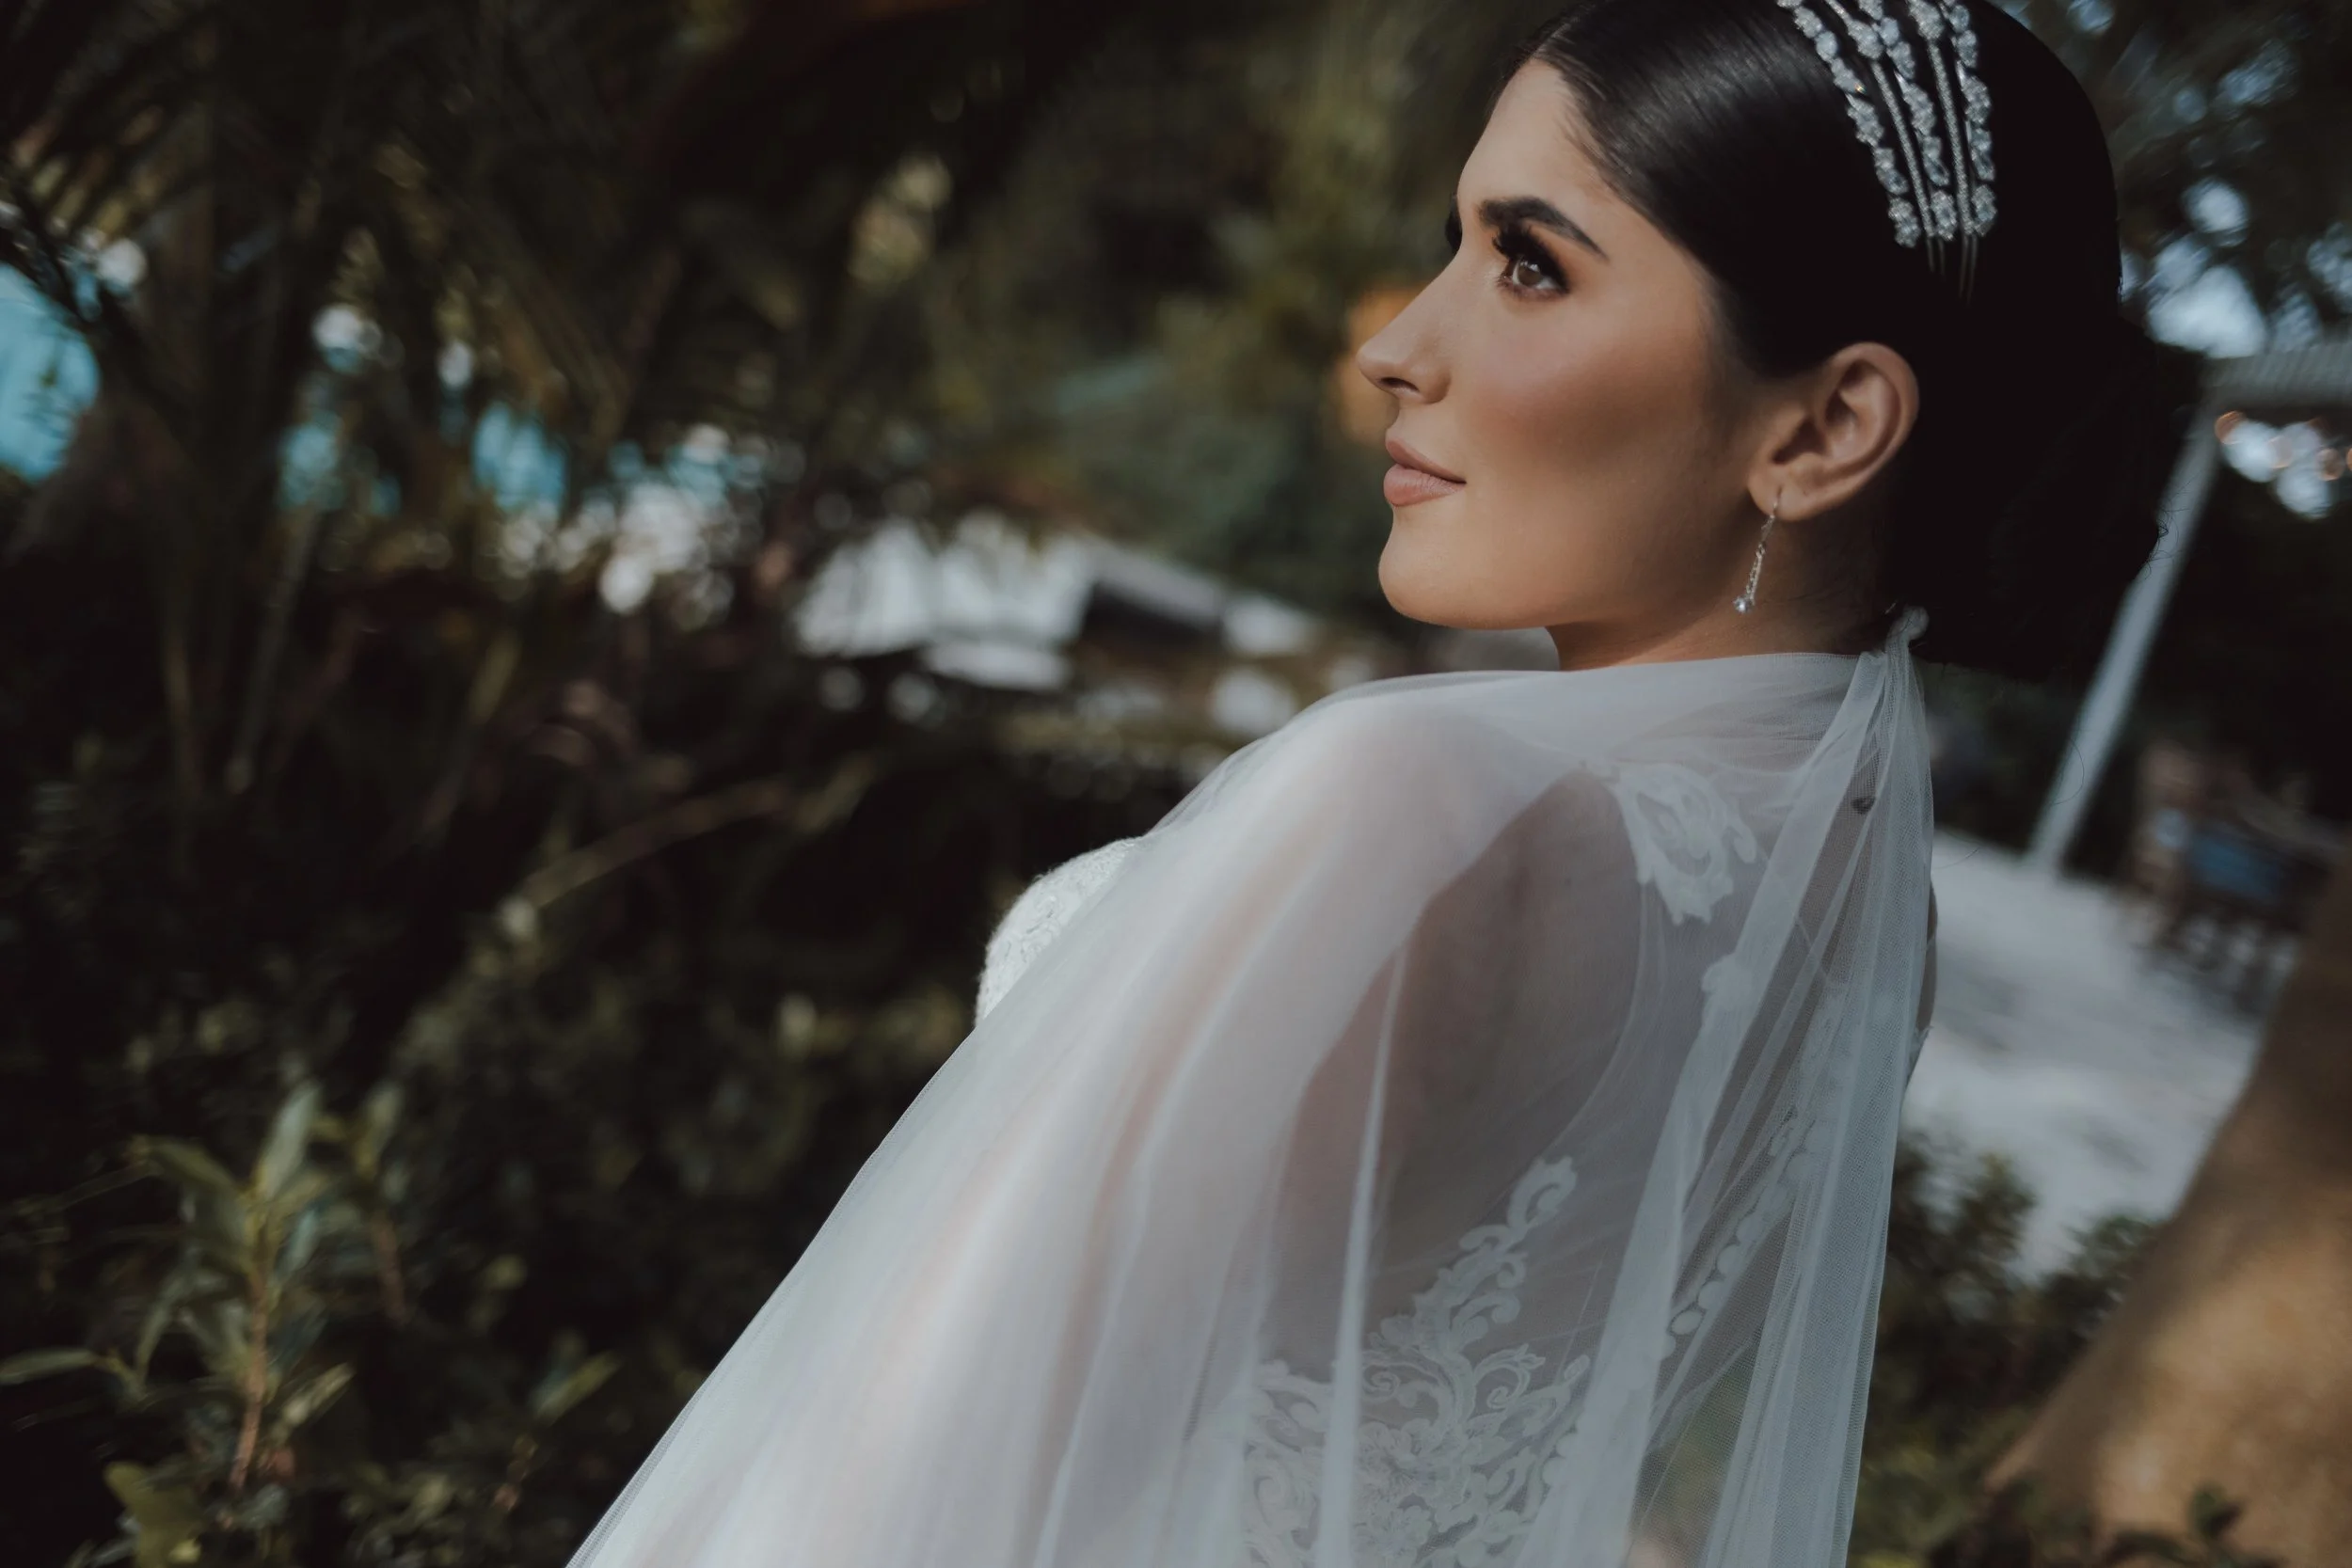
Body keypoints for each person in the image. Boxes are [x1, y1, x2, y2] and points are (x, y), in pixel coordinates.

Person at [565, 2, 2178, 1564]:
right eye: (1458, 244)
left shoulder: (1415, 805)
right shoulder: (1858, 907)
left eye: (1532, 265)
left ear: (1826, 427)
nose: (1403, 344)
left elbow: (891, 1483)